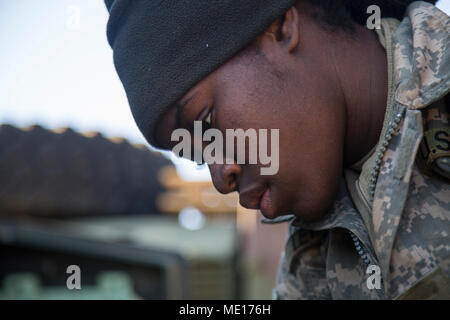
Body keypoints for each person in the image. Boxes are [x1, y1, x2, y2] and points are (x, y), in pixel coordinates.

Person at [104, 0, 450, 299]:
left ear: (282, 26)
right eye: (196, 156)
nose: (221, 178)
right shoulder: (312, 256)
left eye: (206, 123)